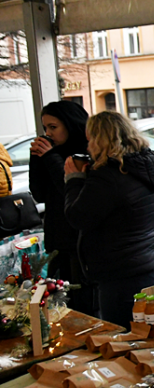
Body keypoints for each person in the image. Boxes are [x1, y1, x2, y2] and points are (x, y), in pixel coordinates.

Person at [63, 111, 154, 326]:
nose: (87, 145)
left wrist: (73, 180)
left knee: (123, 336)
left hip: (120, 273)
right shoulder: (145, 165)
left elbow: (78, 217)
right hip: (149, 262)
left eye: (90, 139)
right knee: (148, 334)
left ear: (100, 139)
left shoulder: (108, 177)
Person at [29, 101, 96, 315]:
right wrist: (36, 160)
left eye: (53, 127)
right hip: (57, 238)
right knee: (61, 302)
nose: (48, 134)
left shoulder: (85, 154)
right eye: (45, 128)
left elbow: (68, 188)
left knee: (83, 301)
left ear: (70, 124)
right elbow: (39, 194)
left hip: (79, 241)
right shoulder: (51, 154)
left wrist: (49, 157)